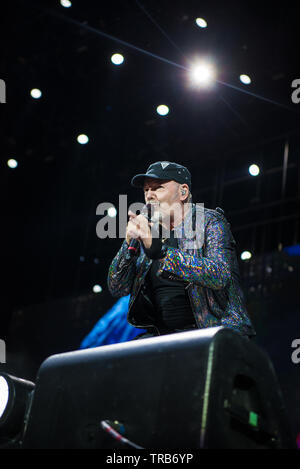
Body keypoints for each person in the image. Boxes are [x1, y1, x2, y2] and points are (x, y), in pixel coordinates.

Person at [107, 161, 256, 340]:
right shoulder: (146, 231)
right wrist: (128, 245)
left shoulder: (210, 222)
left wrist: (160, 252)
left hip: (212, 332)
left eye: (158, 188)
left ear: (183, 192)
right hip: (162, 337)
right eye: (146, 190)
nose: (149, 195)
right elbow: (117, 288)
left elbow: (219, 275)